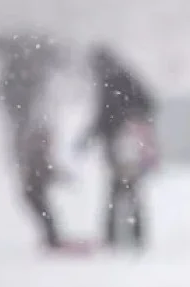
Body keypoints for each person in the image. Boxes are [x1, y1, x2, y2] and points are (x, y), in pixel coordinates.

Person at [0, 32, 66, 249]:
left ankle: (52, 235)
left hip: (31, 137)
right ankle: (51, 235)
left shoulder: (27, 82)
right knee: (34, 189)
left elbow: (22, 109)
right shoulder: (24, 80)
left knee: (33, 189)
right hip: (29, 137)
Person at [75, 44, 156, 249]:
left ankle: (116, 236)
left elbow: (104, 116)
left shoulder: (112, 81)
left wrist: (93, 134)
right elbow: (147, 104)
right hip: (127, 144)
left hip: (122, 145)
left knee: (119, 190)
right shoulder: (124, 78)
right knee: (128, 190)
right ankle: (132, 236)